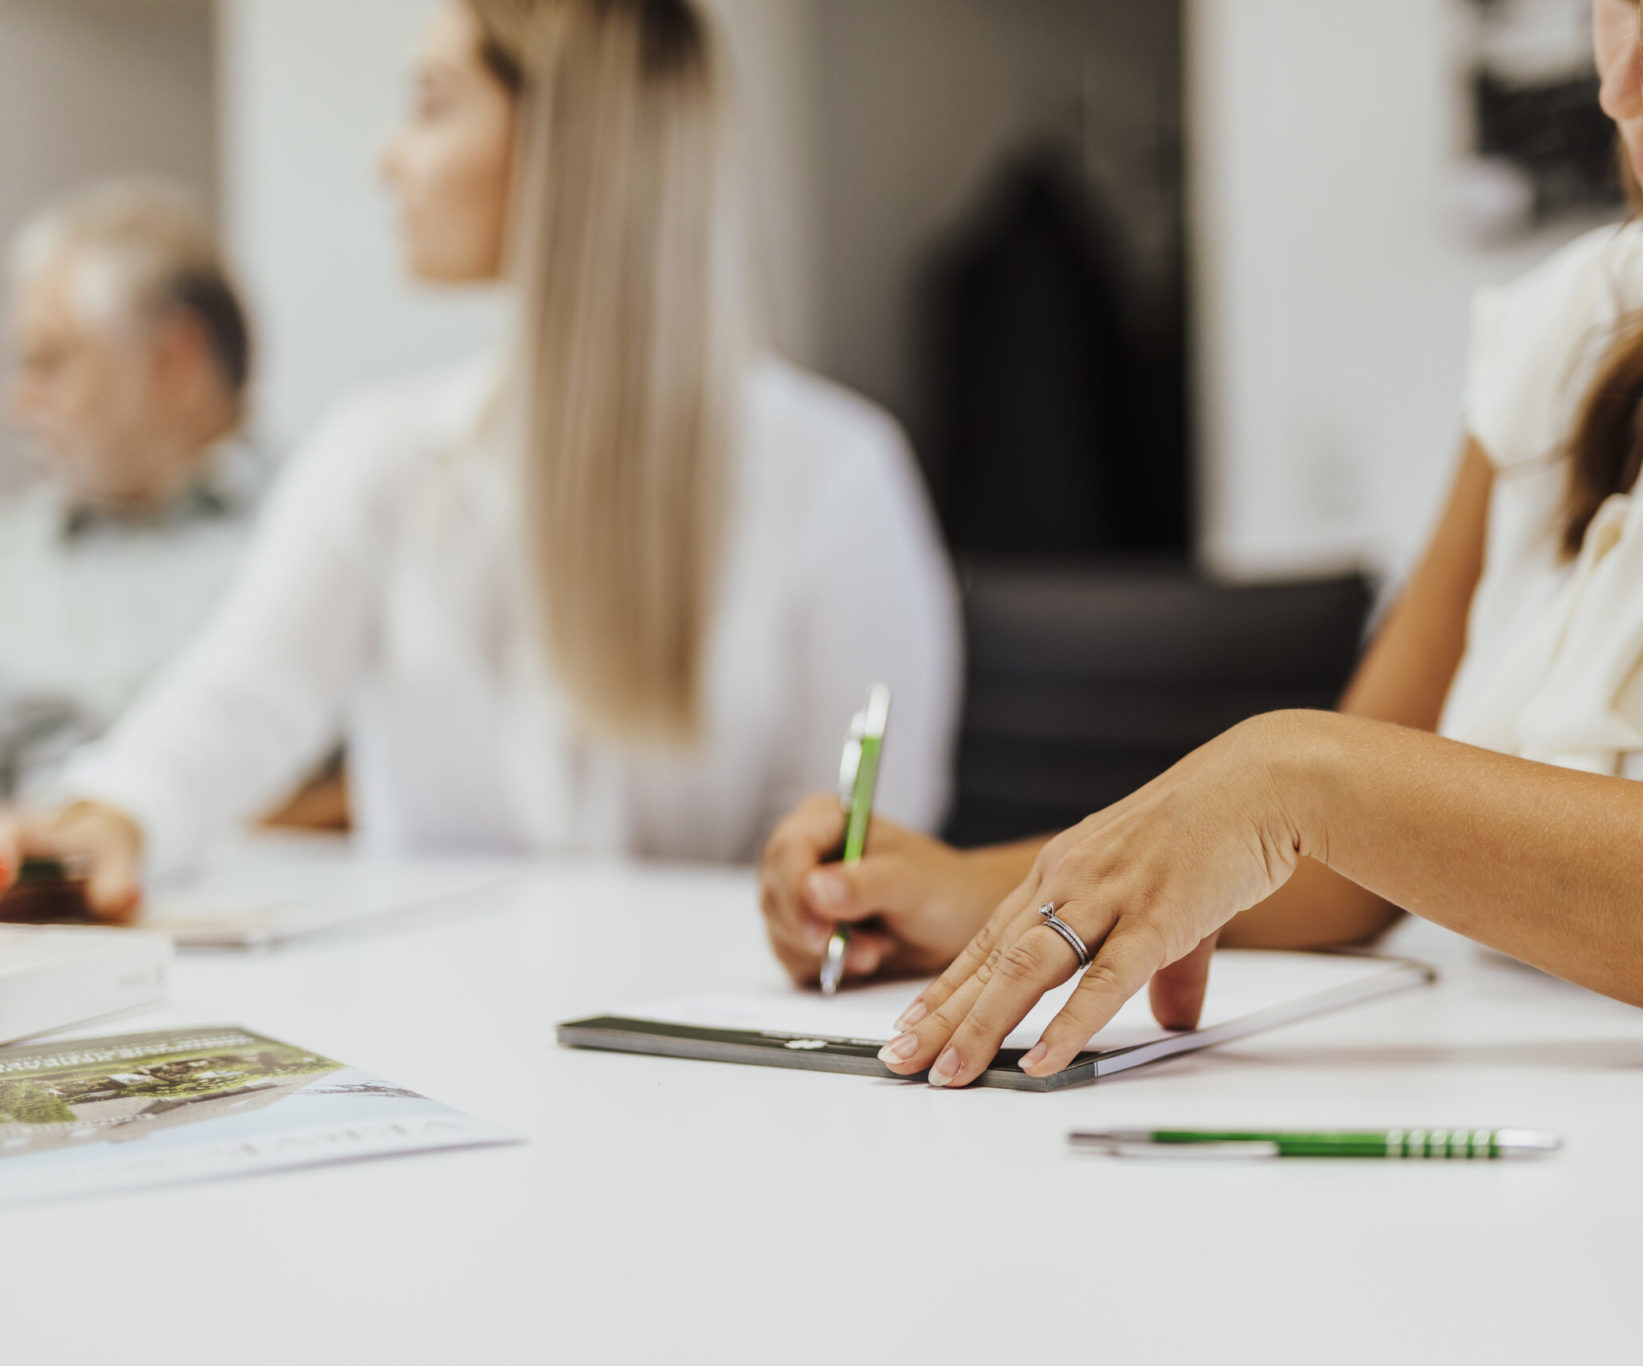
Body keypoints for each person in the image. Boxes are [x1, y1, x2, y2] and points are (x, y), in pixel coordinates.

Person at [760, 0, 1643, 1086]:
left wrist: (1304, 775)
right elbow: (1337, 884)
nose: (1615, 80)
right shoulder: (1579, 327)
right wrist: (985, 897)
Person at [1, 0, 958, 916]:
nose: (388, 160)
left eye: (432, 104)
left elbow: (863, 846)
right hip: (426, 1031)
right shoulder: (381, 451)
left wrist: (821, 889)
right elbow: (241, 700)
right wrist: (107, 820)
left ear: (570, 137)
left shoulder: (834, 473)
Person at [0, 181, 260, 800]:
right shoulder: (12, 557)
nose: (19, 405)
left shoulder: (314, 525)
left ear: (177, 363)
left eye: (52, 363)